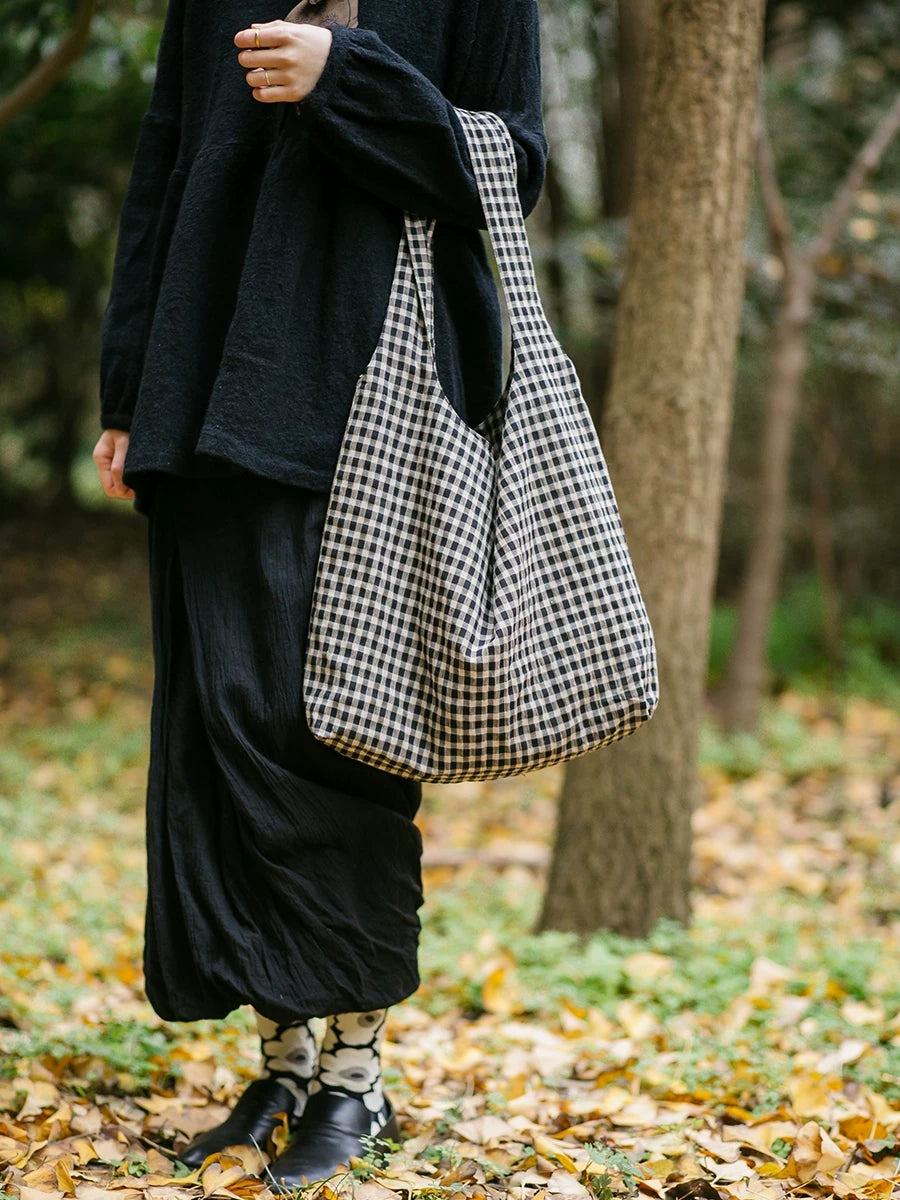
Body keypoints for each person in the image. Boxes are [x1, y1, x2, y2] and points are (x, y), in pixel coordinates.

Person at [93, 0, 546, 1188]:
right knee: (221, 735)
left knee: (329, 737)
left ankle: (356, 1075)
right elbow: (165, 159)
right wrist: (127, 391)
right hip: (202, 396)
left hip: (373, 401)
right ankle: (283, 1062)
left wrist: (349, 78)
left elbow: (514, 167)